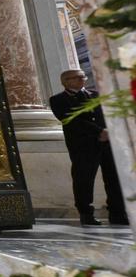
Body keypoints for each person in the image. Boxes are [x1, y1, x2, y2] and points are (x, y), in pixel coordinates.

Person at [50, 69, 128, 225]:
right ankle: (86, 214)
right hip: (83, 145)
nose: (82, 80)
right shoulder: (58, 99)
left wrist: (111, 131)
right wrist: (99, 131)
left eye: (83, 77)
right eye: (77, 78)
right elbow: (71, 120)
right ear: (66, 81)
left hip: (107, 143)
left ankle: (117, 213)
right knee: (84, 180)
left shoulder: (97, 96)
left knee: (114, 178)